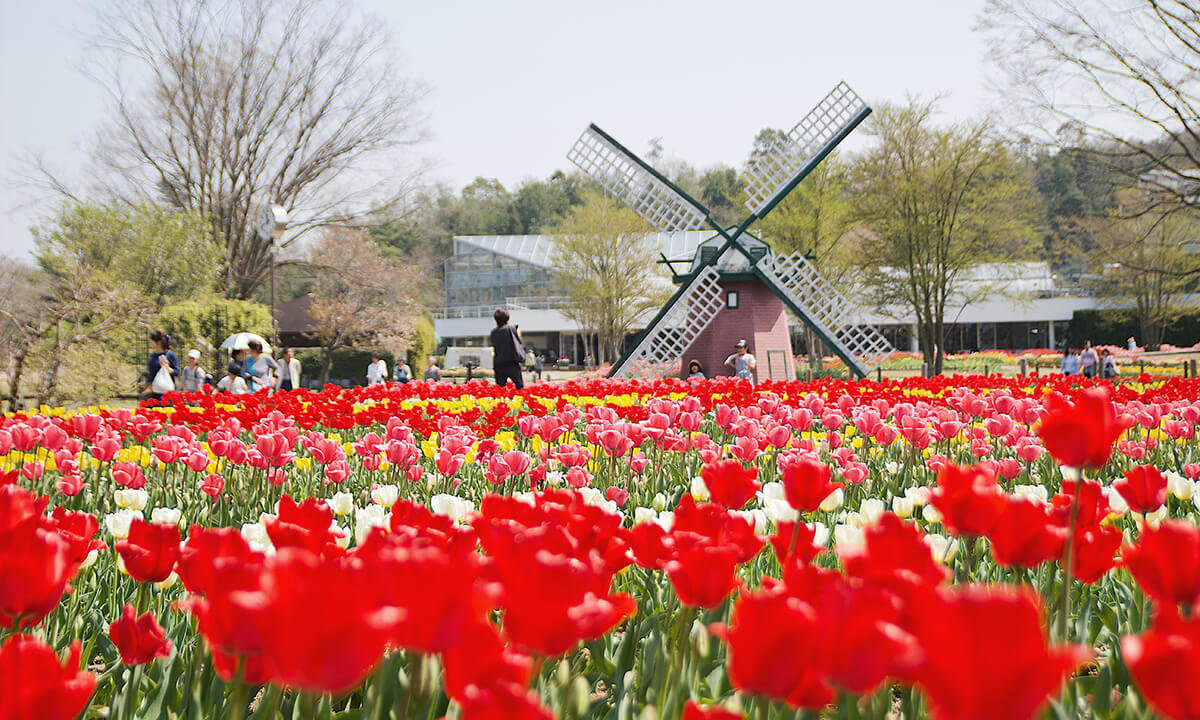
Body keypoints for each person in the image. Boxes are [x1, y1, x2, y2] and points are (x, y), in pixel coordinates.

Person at [489, 308, 525, 389]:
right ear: (507, 319)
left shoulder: (494, 333)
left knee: (500, 390)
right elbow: (519, 341)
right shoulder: (512, 329)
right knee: (520, 387)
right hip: (512, 363)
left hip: (499, 364)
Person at [142, 330, 180, 401]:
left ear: (158, 342)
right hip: (154, 391)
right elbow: (151, 374)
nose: (151, 343)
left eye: (152, 341)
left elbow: (177, 372)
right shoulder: (153, 356)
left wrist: (167, 368)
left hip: (166, 391)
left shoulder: (170, 355)